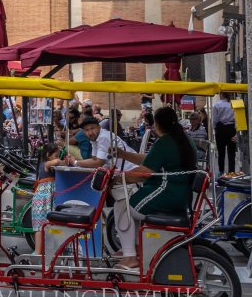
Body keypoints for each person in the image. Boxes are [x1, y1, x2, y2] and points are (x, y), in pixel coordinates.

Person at [114, 107, 198, 269]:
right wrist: (123, 155)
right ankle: (134, 248)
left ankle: (130, 256)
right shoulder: (184, 139)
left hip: (165, 193)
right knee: (130, 205)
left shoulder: (165, 142)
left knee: (122, 205)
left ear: (158, 124)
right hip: (179, 194)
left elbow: (144, 172)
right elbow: (150, 159)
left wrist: (119, 178)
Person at [46, 116, 139, 255]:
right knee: (123, 216)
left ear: (99, 127)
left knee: (124, 217)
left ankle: (130, 254)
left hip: (130, 177)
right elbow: (96, 160)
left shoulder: (103, 138)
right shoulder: (96, 139)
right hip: (123, 179)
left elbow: (97, 163)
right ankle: (129, 251)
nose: (90, 132)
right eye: (87, 130)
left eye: (92, 128)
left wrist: (76, 163)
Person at [212, 92, 237, 173]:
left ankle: (221, 172)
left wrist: (215, 128)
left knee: (221, 152)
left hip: (221, 128)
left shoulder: (217, 105)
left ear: (222, 95)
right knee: (231, 153)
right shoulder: (233, 103)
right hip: (231, 128)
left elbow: (215, 120)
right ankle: (231, 172)